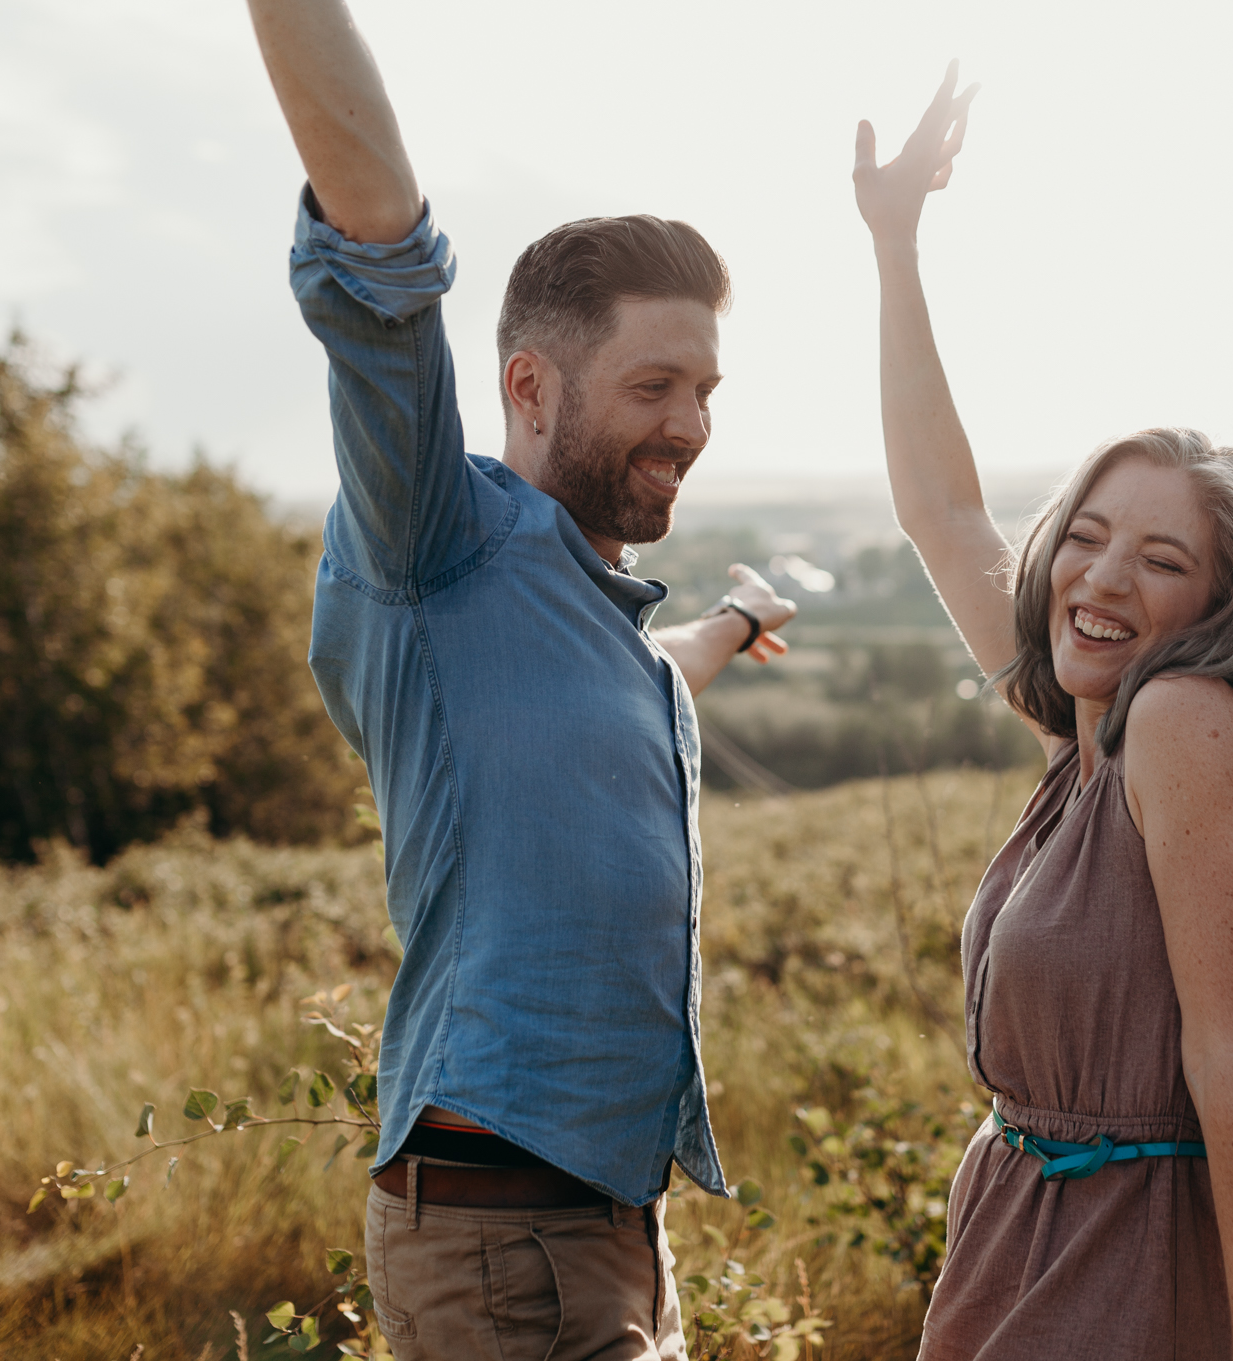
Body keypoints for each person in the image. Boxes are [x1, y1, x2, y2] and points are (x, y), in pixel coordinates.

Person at [243, 4, 798, 1357]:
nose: (690, 425)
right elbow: (376, 266)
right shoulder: (436, 547)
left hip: (611, 1225)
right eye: (656, 382)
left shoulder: (603, 625)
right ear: (529, 385)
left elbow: (649, 680)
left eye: (706, 389)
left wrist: (730, 617)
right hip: (496, 1240)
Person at [853, 65, 1233, 1361]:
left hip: (1124, 1250)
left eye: (1161, 560)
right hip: (1011, 1219)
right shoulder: (1087, 738)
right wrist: (894, 243)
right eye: (1085, 534)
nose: (1102, 577)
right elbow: (943, 515)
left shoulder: (1183, 723)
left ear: (1220, 605)